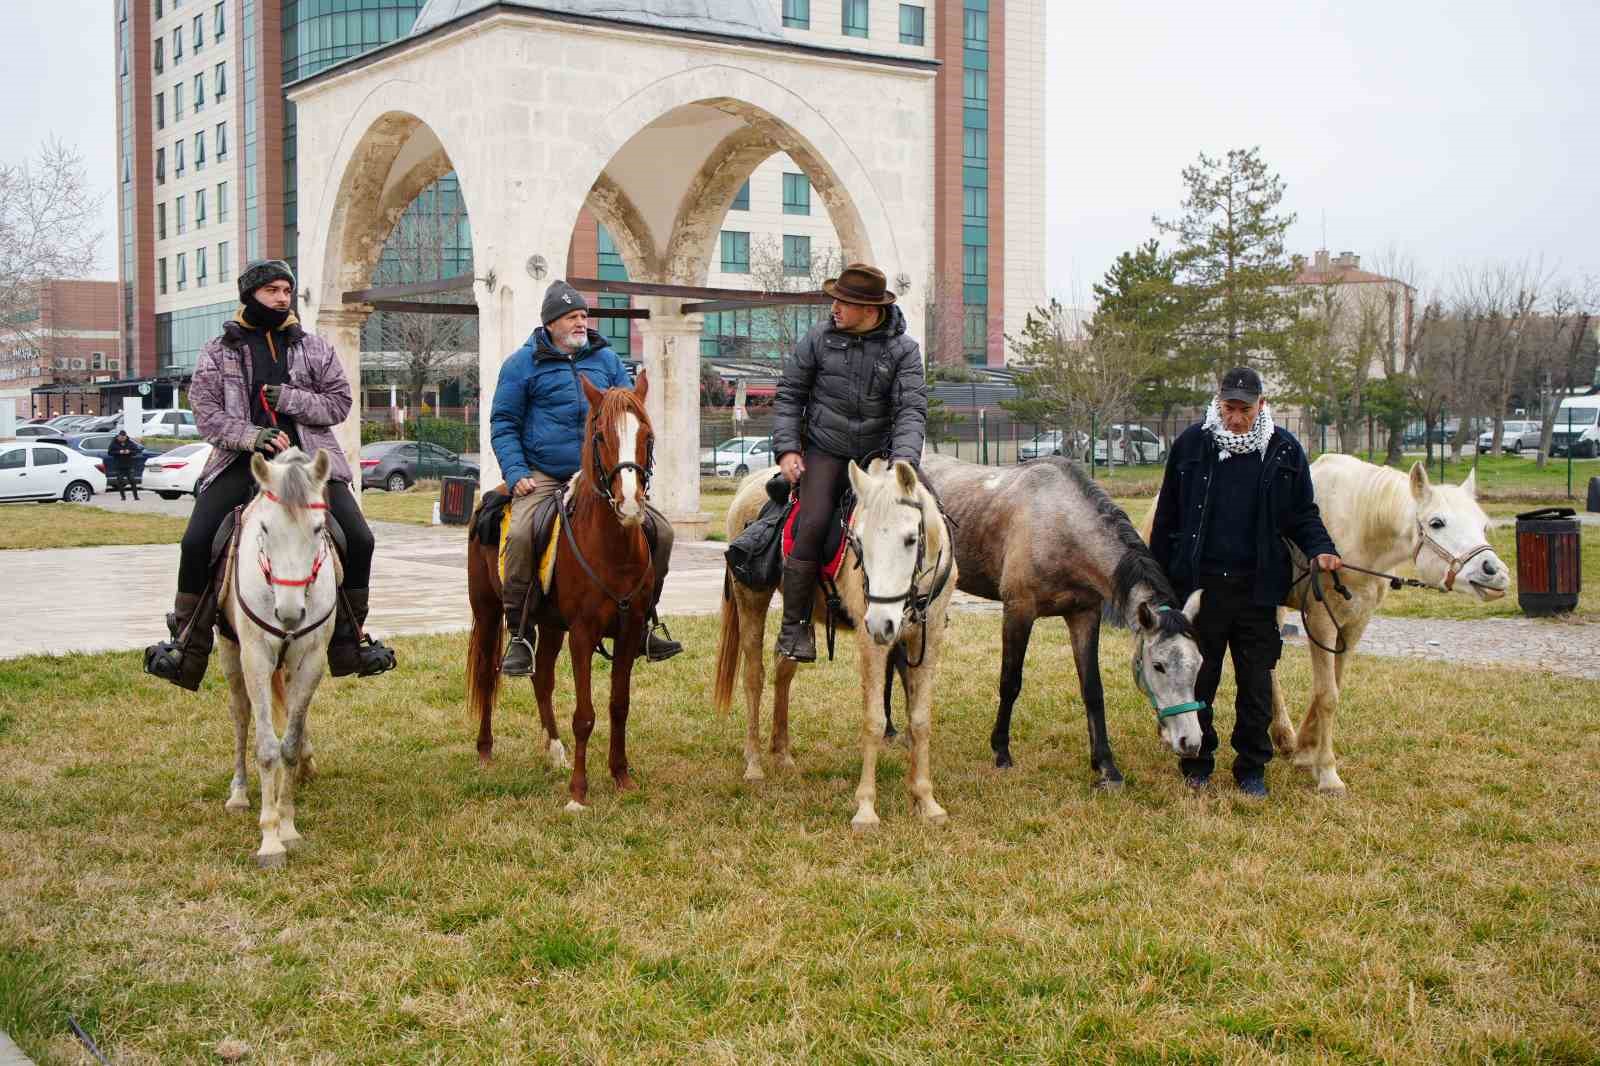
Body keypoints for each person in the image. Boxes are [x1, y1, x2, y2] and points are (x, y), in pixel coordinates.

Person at [143, 259, 396, 690]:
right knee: (197, 540)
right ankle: (186, 645)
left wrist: (292, 399)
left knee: (361, 539)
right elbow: (206, 415)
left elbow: (339, 403)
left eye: (286, 290)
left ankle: (351, 641)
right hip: (241, 463)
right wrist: (252, 436)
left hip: (312, 465)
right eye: (273, 290)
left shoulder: (314, 347)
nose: (282, 298)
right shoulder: (217, 351)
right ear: (251, 295)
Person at [1149, 366, 1341, 798]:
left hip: (1258, 590)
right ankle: (1198, 761)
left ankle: (1251, 767)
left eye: (1244, 409)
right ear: (1218, 402)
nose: (1236, 418)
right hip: (1201, 592)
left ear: (1261, 406)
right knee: (1201, 680)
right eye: (1228, 407)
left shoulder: (1284, 451)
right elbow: (1167, 521)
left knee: (1256, 685)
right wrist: (1160, 588)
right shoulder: (1192, 445)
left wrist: (1321, 548)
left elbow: (1302, 514)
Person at [491, 280, 682, 675]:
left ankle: (646, 620)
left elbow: (628, 416)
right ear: (551, 323)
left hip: (599, 477)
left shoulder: (607, 359)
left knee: (660, 532)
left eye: (583, 316)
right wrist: (516, 473)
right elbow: (504, 423)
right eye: (572, 317)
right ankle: (521, 633)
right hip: (544, 473)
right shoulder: (520, 365)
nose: (581, 323)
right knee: (523, 533)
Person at [771, 263, 928, 662]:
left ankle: (922, 606)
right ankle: (795, 628)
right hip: (826, 451)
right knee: (813, 522)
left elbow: (911, 410)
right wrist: (789, 449)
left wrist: (902, 463)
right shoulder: (817, 340)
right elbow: (790, 395)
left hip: (879, 458)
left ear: (870, 309)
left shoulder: (904, 351)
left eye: (845, 301)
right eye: (836, 299)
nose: (835, 307)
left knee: (921, 517)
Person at [107, 429, 142, 501]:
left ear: (126, 437)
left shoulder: (130, 442)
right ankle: (123, 497)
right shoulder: (114, 443)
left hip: (128, 465)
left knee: (132, 481)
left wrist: (129, 451)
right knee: (120, 482)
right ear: (118, 436)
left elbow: (137, 451)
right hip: (119, 466)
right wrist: (119, 452)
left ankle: (136, 497)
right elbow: (109, 452)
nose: (122, 439)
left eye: (124, 437)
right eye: (121, 437)